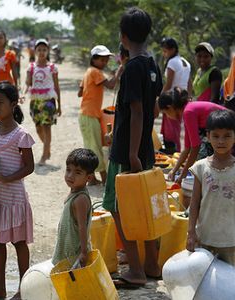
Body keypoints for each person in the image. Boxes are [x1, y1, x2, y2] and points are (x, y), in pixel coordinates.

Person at [103, 7, 163, 288]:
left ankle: (136, 269)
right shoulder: (152, 64)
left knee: (119, 208)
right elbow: (153, 108)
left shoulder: (131, 69)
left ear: (123, 36)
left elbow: (138, 111)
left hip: (128, 151)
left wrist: (130, 152)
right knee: (145, 207)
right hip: (145, 149)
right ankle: (152, 263)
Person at [0, 81, 35, 299]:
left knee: (19, 243)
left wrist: (7, 178)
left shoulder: (21, 135)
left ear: (14, 104)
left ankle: (24, 290)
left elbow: (29, 166)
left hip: (14, 199)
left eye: (0, 103)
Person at [187, 109, 235, 266]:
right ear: (208, 136)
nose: (221, 141)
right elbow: (194, 203)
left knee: (229, 283)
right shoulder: (200, 167)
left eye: (227, 135)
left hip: (231, 240)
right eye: (216, 136)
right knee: (206, 280)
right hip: (206, 239)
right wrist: (191, 232)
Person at [158, 87, 225, 184]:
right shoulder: (188, 110)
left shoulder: (188, 112)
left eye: (165, 113)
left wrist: (183, 175)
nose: (167, 116)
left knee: (201, 160)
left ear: (169, 107)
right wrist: (174, 170)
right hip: (221, 132)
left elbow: (195, 147)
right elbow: (187, 148)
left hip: (228, 130)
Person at [78, 45, 122, 185]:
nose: (104, 62)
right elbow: (110, 85)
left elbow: (80, 92)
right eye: (102, 60)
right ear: (94, 59)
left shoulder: (89, 72)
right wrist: (119, 72)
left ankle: (92, 179)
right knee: (95, 148)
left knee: (91, 146)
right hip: (89, 115)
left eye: (106, 60)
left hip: (87, 114)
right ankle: (104, 179)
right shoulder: (95, 72)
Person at [52, 148, 99, 267]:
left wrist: (83, 252)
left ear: (88, 178)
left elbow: (82, 227)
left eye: (77, 172)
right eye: (68, 170)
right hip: (68, 248)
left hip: (76, 253)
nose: (70, 176)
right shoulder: (74, 193)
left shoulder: (80, 199)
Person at [25, 38, 61, 166]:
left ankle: (44, 156)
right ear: (35, 51)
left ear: (48, 51)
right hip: (35, 101)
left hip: (49, 101)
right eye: (39, 50)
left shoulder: (52, 67)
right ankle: (48, 149)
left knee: (47, 128)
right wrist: (25, 87)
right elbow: (28, 83)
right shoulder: (31, 67)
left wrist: (59, 105)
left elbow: (57, 87)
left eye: (44, 50)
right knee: (38, 128)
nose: (41, 52)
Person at [159, 37, 191, 153]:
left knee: (171, 131)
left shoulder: (172, 62)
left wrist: (160, 99)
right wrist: (189, 97)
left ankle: (174, 153)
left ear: (172, 49)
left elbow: (169, 83)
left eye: (165, 51)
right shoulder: (185, 62)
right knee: (179, 129)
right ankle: (178, 152)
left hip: (171, 100)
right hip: (183, 99)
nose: (164, 54)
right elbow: (189, 83)